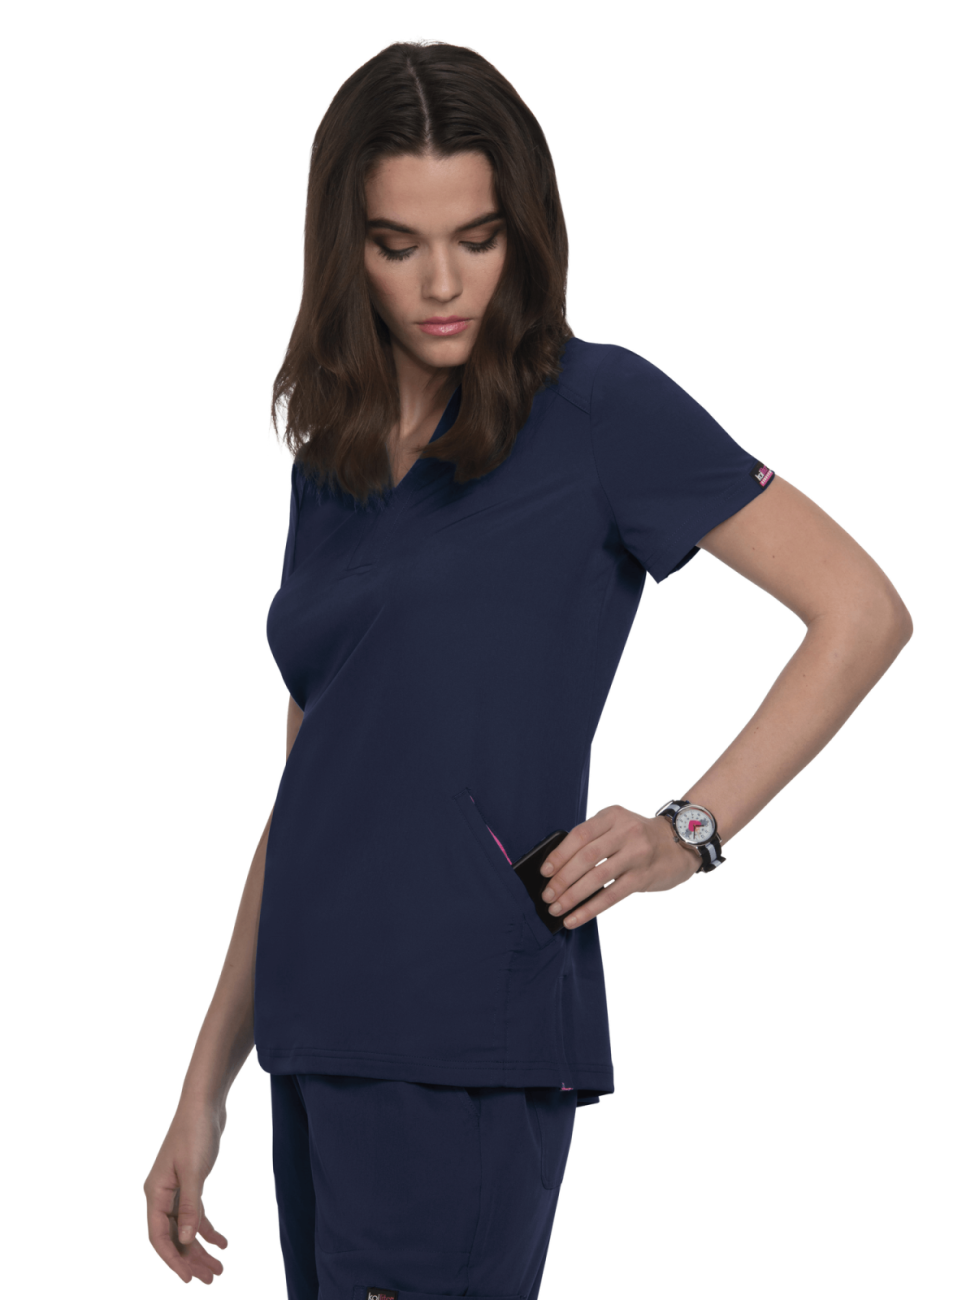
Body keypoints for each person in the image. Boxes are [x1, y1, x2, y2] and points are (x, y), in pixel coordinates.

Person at [143, 40, 912, 1300]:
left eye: (479, 237)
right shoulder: (333, 459)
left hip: (463, 1028)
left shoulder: (597, 410)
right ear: (345, 249)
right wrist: (204, 1082)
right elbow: (313, 794)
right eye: (398, 245)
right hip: (316, 1032)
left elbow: (860, 610)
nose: (444, 282)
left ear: (526, 231)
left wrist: (688, 832)